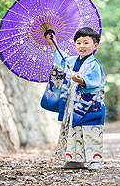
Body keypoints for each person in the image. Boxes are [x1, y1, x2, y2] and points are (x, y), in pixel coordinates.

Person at [46, 27, 105, 170]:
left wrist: (80, 80)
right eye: (78, 43)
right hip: (73, 103)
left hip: (89, 104)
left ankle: (94, 159)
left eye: (86, 43)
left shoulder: (93, 65)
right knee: (74, 129)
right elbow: (60, 58)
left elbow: (94, 81)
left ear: (95, 45)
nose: (82, 46)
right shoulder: (72, 61)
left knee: (90, 130)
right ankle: (74, 159)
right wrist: (52, 41)